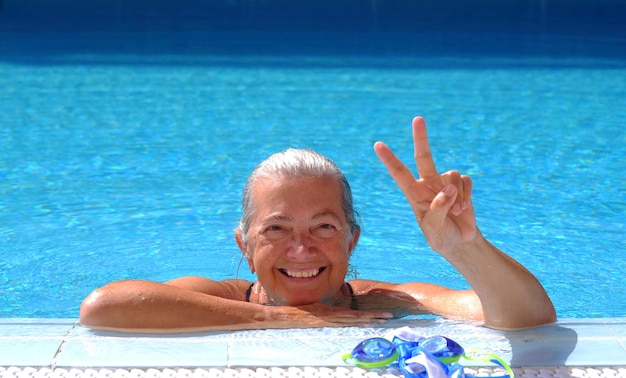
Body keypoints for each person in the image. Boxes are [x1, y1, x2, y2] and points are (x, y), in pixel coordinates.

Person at [79, 116, 556, 333]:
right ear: (243, 245)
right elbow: (103, 308)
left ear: (353, 239)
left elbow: (527, 316)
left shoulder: (387, 300)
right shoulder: (217, 297)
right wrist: (279, 317)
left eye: (324, 228)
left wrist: (463, 248)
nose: (301, 250)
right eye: (277, 229)